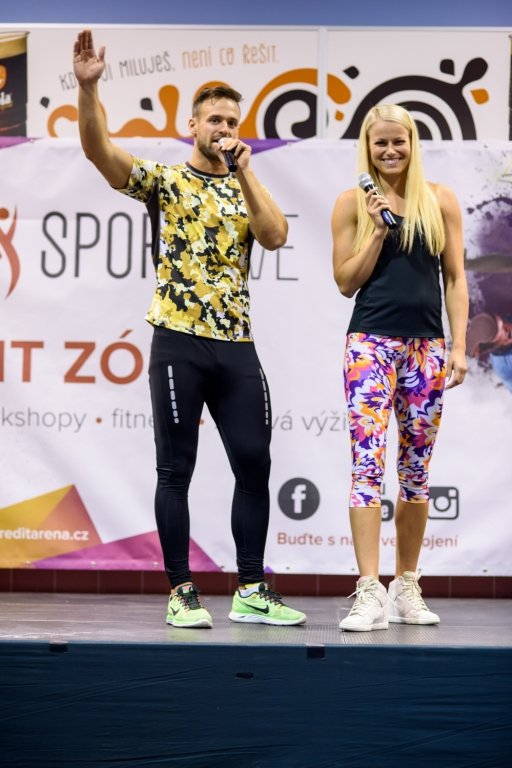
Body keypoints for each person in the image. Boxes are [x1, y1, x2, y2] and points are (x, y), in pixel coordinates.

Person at [73, 29, 306, 629]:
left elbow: (276, 236)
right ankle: (181, 591)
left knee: (254, 464)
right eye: (214, 120)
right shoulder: (166, 181)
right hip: (178, 341)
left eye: (232, 121)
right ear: (193, 126)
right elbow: (100, 153)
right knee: (175, 470)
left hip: (237, 346)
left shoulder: (248, 186)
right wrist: (88, 90)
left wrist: (244, 173)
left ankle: (250, 589)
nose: (224, 129)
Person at [331, 104, 468, 632]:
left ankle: (406, 584)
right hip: (370, 345)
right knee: (367, 465)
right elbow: (345, 282)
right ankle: (370, 590)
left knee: (415, 471)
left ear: (412, 143)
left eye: (398, 141)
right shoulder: (351, 203)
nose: (390, 151)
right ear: (367, 148)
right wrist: (376, 230)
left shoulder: (440, 199)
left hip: (426, 349)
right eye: (380, 143)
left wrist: (458, 347)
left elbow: (454, 278)